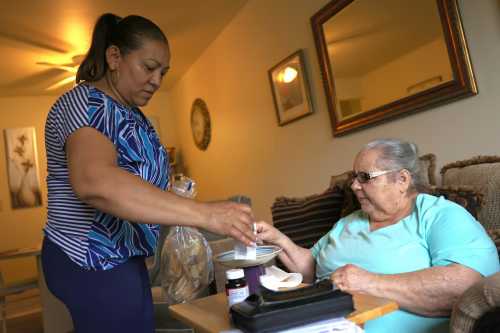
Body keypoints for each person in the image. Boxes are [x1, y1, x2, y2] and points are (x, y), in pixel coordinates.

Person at [41, 13, 256, 333]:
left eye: (163, 72)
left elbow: (142, 188)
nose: (157, 80)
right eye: (149, 67)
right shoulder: (86, 102)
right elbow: (95, 182)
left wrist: (184, 216)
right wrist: (205, 215)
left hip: (125, 258)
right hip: (91, 257)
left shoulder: (134, 117)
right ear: (114, 56)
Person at [256, 139, 499, 333]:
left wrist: (368, 283)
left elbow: (466, 288)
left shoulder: (439, 215)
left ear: (402, 179)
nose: (354, 186)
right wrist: (278, 240)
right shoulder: (350, 221)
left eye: (365, 178)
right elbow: (311, 266)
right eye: (354, 177)